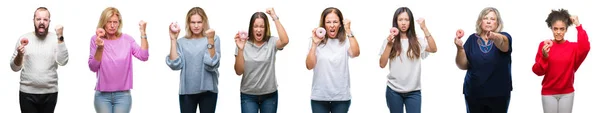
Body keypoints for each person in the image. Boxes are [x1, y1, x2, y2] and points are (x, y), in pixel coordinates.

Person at [88, 7, 149, 113]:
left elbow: (144, 56)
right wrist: (100, 47)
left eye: (115, 22)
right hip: (102, 96)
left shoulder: (127, 40)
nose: (112, 25)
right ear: (103, 22)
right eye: (109, 22)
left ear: (119, 23)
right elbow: (93, 67)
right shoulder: (96, 39)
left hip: (123, 96)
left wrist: (143, 32)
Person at [378, 7, 437, 113]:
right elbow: (382, 64)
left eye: (406, 20)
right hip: (393, 91)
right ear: (396, 22)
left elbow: (433, 49)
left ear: (411, 22)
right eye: (400, 20)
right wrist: (389, 45)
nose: (403, 23)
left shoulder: (417, 41)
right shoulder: (388, 41)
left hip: (414, 92)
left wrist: (424, 28)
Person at [10, 7, 69, 113]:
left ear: (49, 22)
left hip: (50, 92)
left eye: (45, 20)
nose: (42, 22)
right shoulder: (23, 38)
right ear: (33, 20)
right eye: (38, 19)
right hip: (27, 93)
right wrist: (19, 55)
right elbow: (14, 67)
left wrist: (60, 36)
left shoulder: (56, 39)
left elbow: (63, 61)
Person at [453, 7, 512, 113]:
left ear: (498, 23)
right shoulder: (472, 39)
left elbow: (503, 44)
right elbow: (462, 65)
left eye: (493, 19)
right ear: (480, 21)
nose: (489, 21)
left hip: (499, 94)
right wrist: (460, 48)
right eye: (485, 18)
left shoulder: (505, 36)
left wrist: (494, 36)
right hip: (473, 92)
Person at [531, 9, 590, 113]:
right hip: (548, 93)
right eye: (555, 29)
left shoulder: (573, 47)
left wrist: (578, 25)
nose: (558, 32)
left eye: (562, 29)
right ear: (551, 29)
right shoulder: (544, 45)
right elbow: (537, 71)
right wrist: (544, 57)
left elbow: (585, 47)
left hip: (567, 93)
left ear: (566, 29)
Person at [165, 7, 221, 113]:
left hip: (208, 90)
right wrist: (173, 40)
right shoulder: (181, 42)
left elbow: (212, 63)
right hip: (187, 91)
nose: (196, 26)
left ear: (204, 22)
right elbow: (175, 64)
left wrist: (210, 40)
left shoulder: (214, 38)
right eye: (193, 22)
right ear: (188, 23)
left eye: (199, 22)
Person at [234, 7, 289, 113]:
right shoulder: (243, 43)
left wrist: (274, 17)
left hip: (270, 95)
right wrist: (240, 49)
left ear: (266, 28)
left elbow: (285, 40)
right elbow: (238, 71)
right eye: (255, 26)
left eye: (262, 26)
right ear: (251, 27)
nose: (258, 29)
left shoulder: (272, 42)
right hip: (248, 95)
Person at [305, 7, 360, 113]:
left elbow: (356, 53)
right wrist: (314, 45)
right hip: (319, 97)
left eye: (335, 22)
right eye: (328, 22)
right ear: (323, 24)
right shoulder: (314, 41)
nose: (332, 25)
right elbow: (309, 66)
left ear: (340, 24)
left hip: (341, 98)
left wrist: (348, 31)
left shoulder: (346, 41)